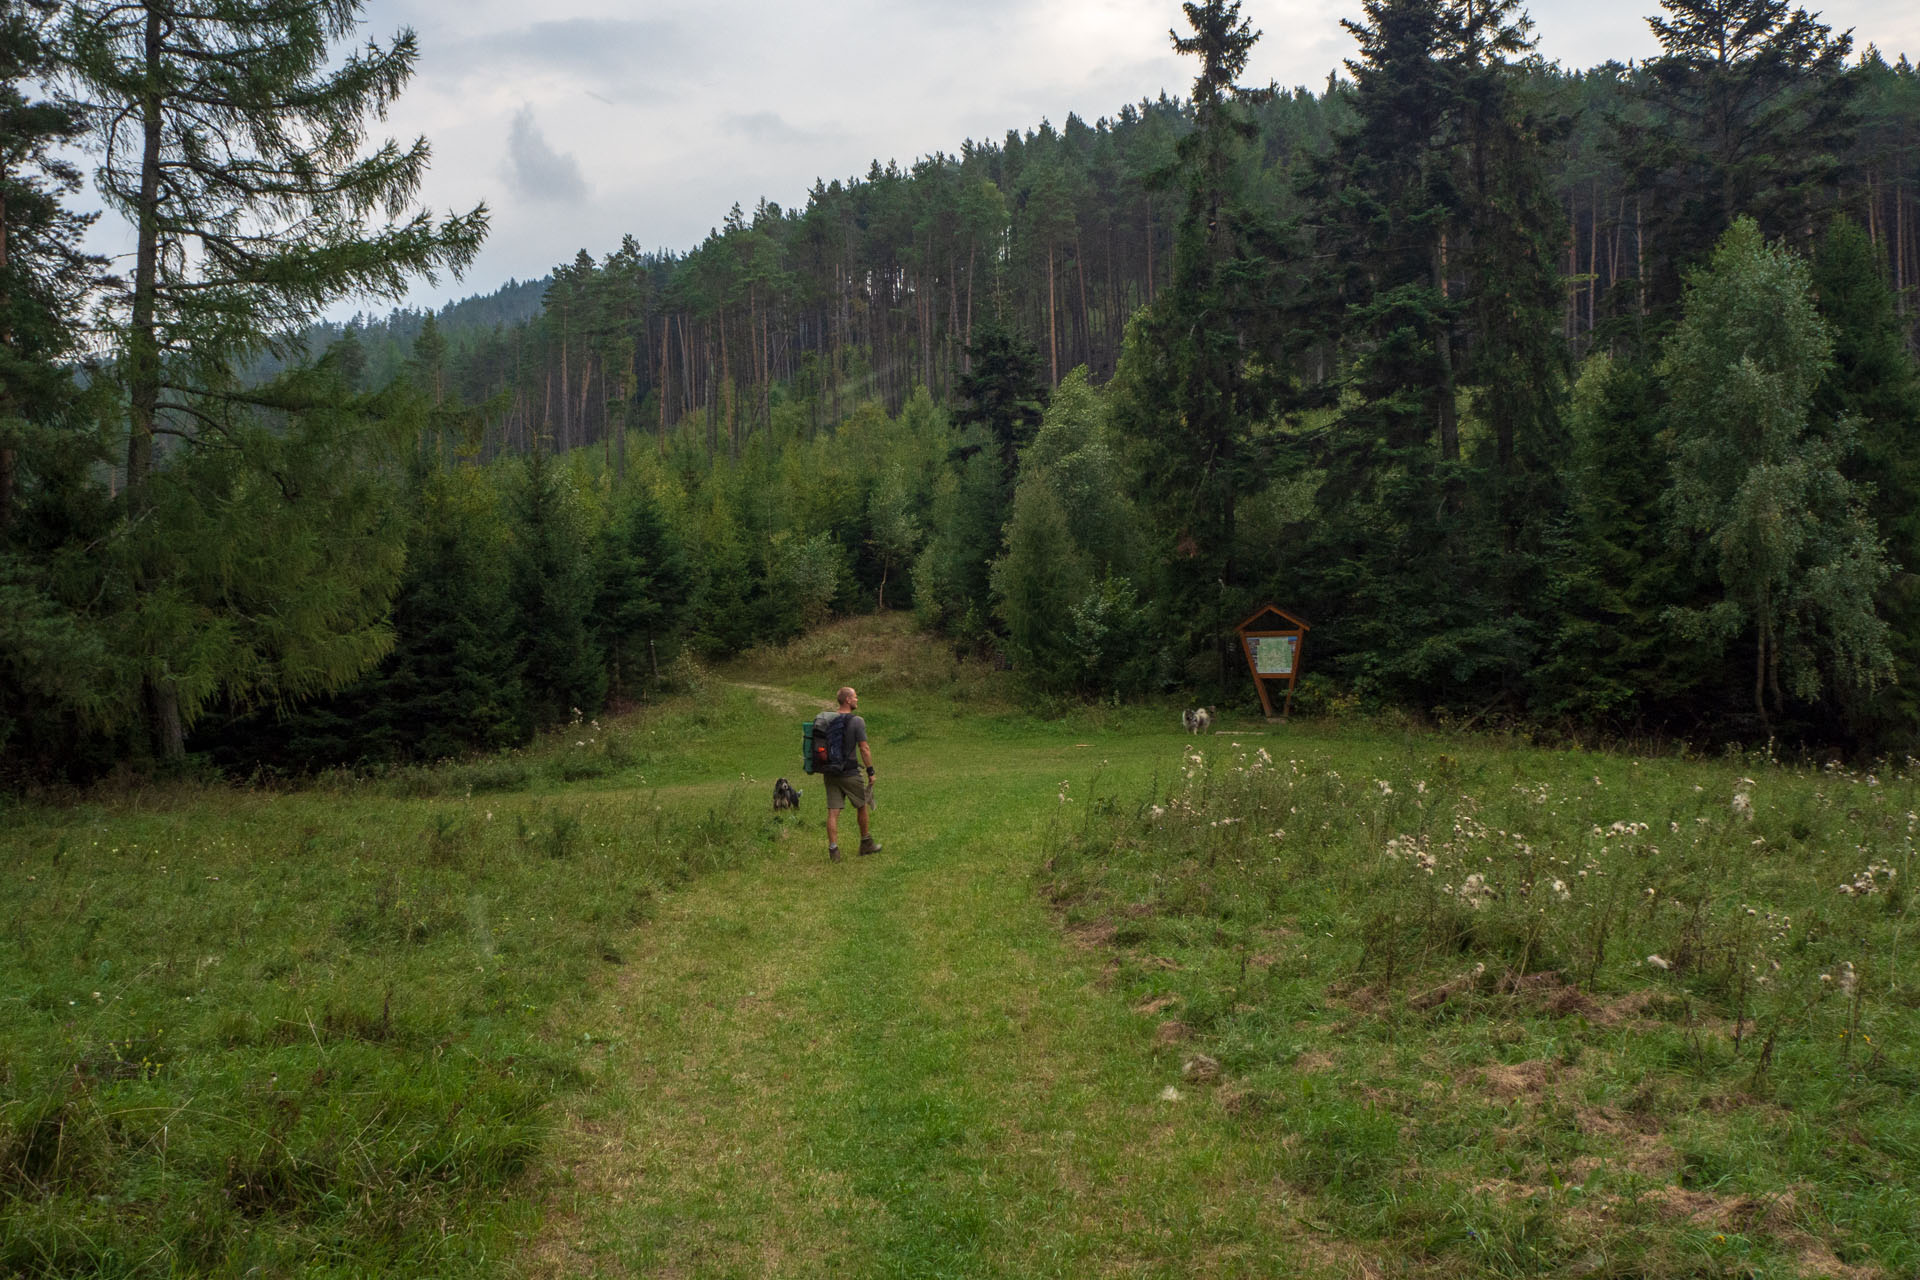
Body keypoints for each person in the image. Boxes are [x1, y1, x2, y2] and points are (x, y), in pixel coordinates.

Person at [823, 685, 880, 862]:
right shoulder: (857, 721)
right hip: (849, 772)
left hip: (830, 772)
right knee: (861, 805)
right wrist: (870, 771)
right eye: (855, 697)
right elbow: (864, 748)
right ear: (847, 700)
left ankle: (833, 850)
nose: (857, 699)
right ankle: (866, 843)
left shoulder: (828, 720)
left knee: (833, 812)